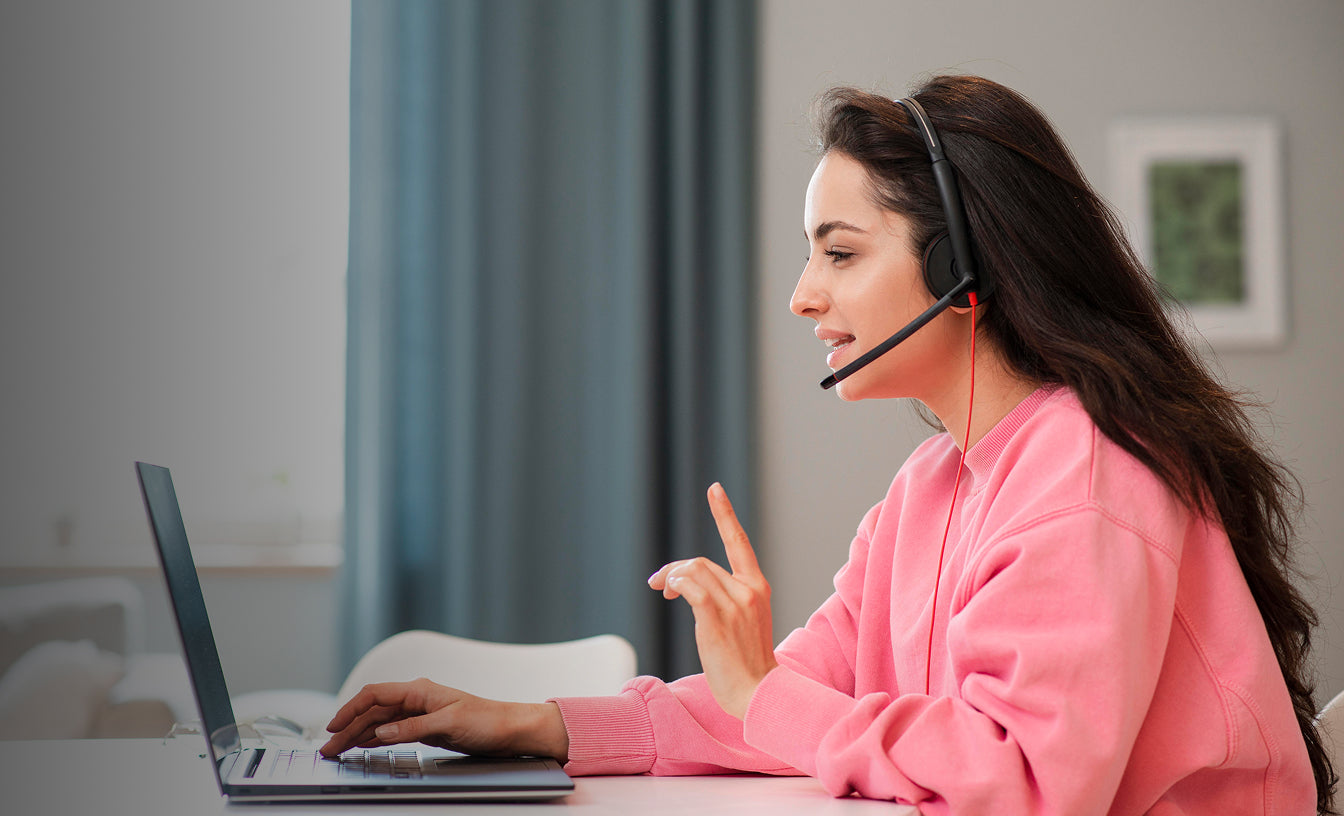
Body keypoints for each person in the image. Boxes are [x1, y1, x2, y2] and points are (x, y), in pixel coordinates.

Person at [321, 75, 1333, 814]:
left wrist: (770, 696)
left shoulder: (1089, 478)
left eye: (841, 253)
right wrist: (532, 724)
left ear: (959, 266)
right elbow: (781, 707)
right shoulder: (932, 485)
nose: (804, 296)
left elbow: (1024, 785)